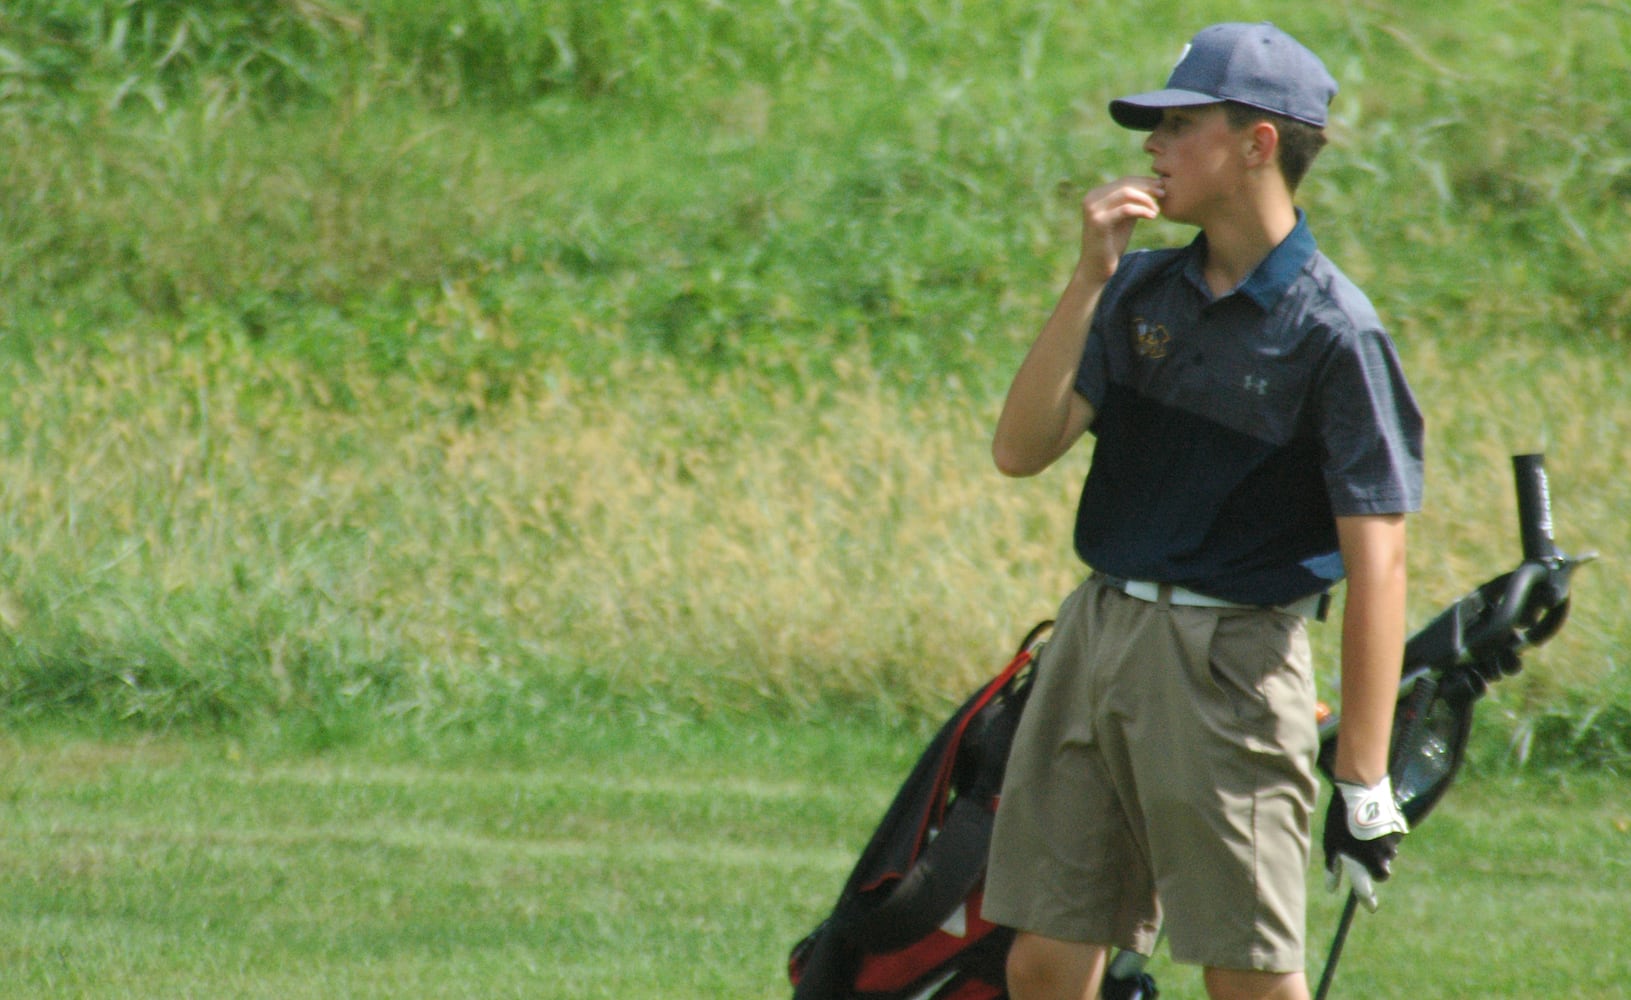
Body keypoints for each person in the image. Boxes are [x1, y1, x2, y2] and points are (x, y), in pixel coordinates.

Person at [982, 22, 1424, 1000]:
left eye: (1180, 125)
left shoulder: (1333, 332)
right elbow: (1020, 449)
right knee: (1043, 958)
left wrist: (1360, 777)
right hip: (1097, 639)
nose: (1151, 145)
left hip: (1229, 668)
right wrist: (1088, 276)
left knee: (1245, 974)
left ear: (1257, 144)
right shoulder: (1140, 286)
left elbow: (1378, 559)